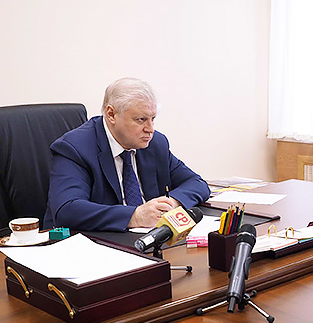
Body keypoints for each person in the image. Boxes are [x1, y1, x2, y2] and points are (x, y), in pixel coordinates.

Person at [44, 77, 210, 231]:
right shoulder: (75, 148)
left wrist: (171, 203)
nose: (150, 129)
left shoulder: (154, 144)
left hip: (148, 239)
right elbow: (67, 210)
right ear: (111, 114)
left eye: (152, 118)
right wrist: (135, 216)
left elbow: (197, 183)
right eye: (141, 119)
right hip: (95, 242)